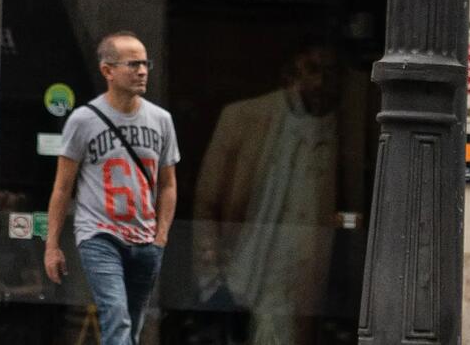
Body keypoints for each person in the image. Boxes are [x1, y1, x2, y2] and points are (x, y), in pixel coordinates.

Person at [194, 44, 363, 345]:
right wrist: (211, 280)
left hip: (306, 281)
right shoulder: (243, 118)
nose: (320, 82)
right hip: (245, 270)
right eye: (312, 70)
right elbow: (208, 204)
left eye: (330, 72)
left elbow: (349, 209)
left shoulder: (345, 130)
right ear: (291, 74)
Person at [43, 32, 180, 345]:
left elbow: (169, 183)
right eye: (133, 64)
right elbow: (62, 188)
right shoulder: (83, 120)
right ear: (108, 71)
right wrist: (52, 245)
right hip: (99, 235)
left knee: (131, 325)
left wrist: (162, 234)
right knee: (116, 315)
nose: (142, 71)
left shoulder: (161, 121)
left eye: (145, 64)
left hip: (146, 238)